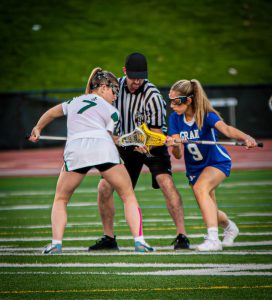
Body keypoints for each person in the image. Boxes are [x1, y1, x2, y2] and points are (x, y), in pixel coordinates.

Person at [29, 67, 153, 254]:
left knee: (61, 199)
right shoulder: (112, 111)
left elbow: (52, 113)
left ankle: (56, 244)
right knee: (128, 195)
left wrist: (38, 128)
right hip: (103, 148)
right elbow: (110, 138)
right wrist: (130, 140)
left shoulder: (73, 102)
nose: (115, 96)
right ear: (103, 87)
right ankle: (139, 241)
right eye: (114, 91)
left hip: (76, 150)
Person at [88, 53, 190, 251]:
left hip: (151, 144)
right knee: (104, 187)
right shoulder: (113, 88)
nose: (136, 82)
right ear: (125, 71)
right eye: (133, 76)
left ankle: (182, 235)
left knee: (166, 183)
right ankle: (109, 238)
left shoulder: (152, 95)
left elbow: (157, 132)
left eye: (140, 77)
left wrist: (145, 142)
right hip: (125, 147)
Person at [166, 79, 257, 251]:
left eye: (176, 101)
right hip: (195, 168)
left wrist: (246, 137)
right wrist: (176, 143)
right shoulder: (175, 119)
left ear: (189, 100)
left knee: (200, 188)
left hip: (216, 162)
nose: (172, 105)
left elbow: (227, 130)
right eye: (170, 101)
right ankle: (229, 227)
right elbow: (177, 155)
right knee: (210, 212)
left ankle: (213, 239)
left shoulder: (205, 115)